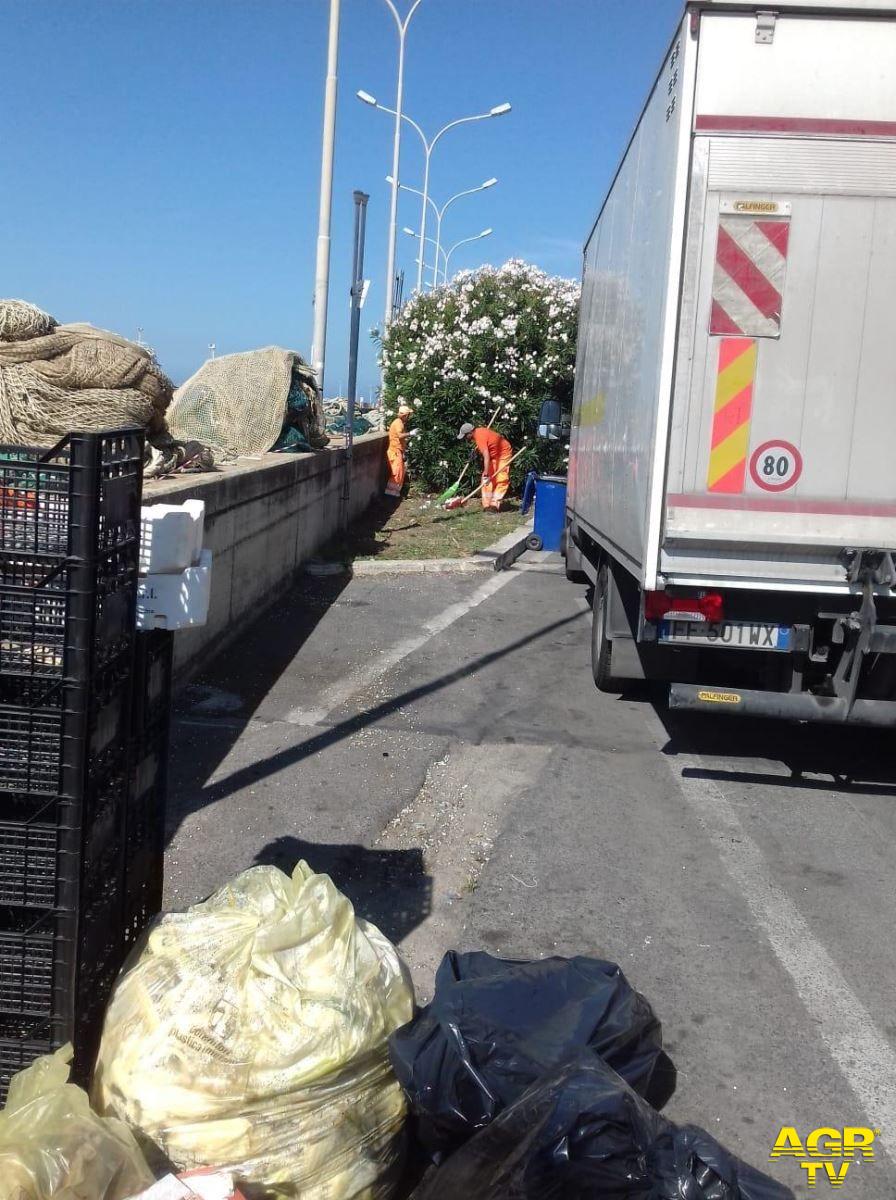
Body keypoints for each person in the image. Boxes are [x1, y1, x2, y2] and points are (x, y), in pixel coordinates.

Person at [457, 421, 513, 511]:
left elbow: (486, 456)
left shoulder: (479, 437)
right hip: (495, 455)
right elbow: (487, 443)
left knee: (501, 478)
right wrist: (476, 451)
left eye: (465, 436)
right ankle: (487, 505)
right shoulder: (479, 431)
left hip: (503, 453)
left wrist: (486, 472)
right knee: (486, 480)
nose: (465, 439)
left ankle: (494, 505)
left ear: (470, 433)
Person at [385, 403, 414, 497]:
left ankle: (394, 494)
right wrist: (411, 433)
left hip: (397, 451)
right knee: (396, 473)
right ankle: (391, 495)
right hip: (395, 451)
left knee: (399, 473)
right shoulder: (398, 423)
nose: (409, 417)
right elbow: (400, 435)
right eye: (408, 415)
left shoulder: (399, 423)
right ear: (405, 415)